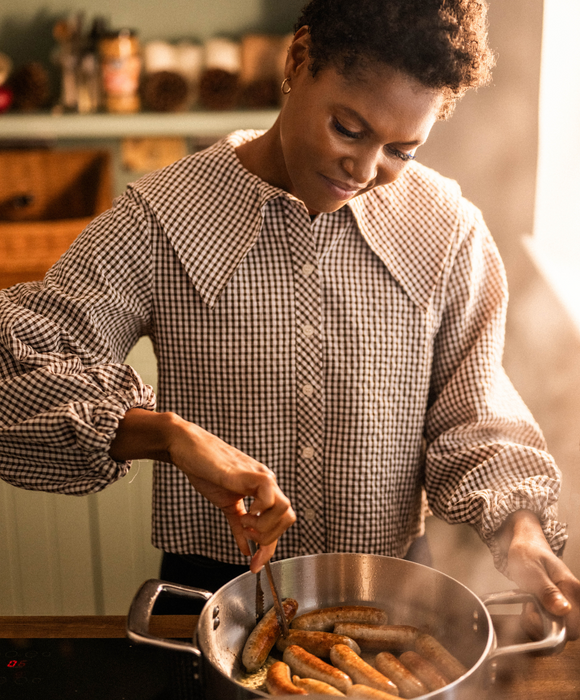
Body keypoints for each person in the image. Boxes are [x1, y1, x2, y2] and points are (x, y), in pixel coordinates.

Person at [1, 0, 579, 637]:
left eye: (401, 151)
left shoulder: (448, 232)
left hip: (391, 601)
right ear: (298, 59)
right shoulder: (161, 218)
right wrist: (164, 433)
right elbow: (17, 368)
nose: (363, 171)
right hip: (213, 597)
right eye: (348, 129)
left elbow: (473, 412)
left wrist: (521, 533)